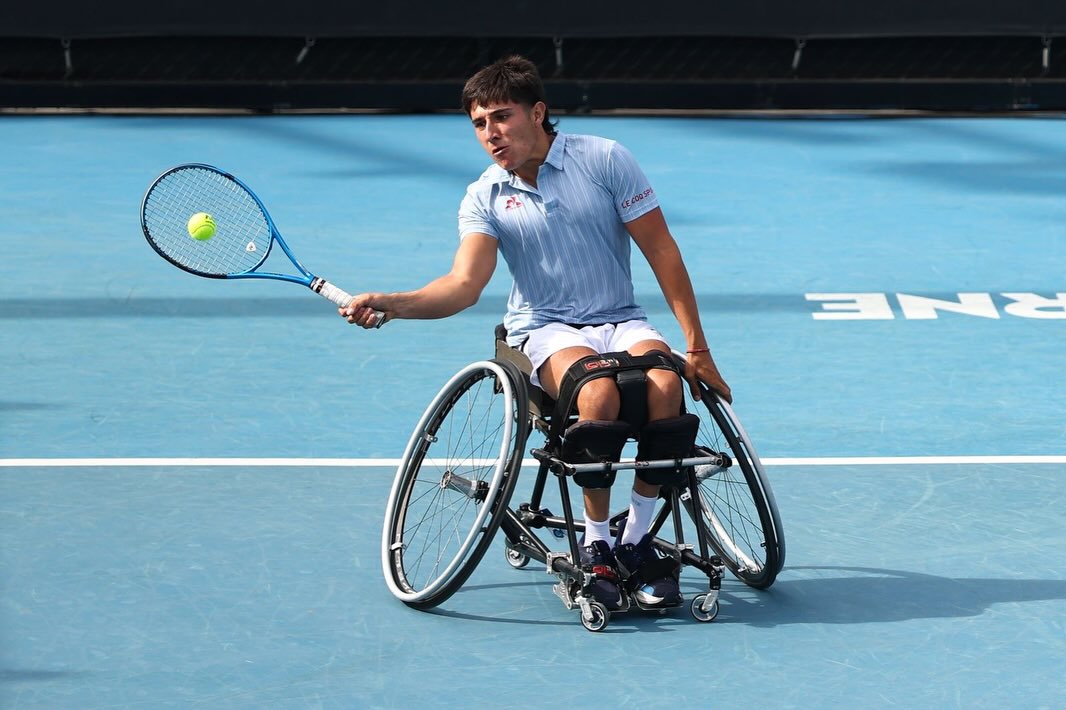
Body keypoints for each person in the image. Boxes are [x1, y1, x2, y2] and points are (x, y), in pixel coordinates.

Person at [341, 55, 731, 611]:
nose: (491, 134)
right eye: (479, 124)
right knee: (599, 393)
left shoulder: (604, 159)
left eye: (501, 117)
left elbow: (662, 250)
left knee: (667, 386)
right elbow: (463, 285)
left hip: (621, 318)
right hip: (543, 330)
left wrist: (696, 347)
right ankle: (597, 544)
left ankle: (636, 539)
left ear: (539, 112)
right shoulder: (485, 196)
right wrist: (395, 303)